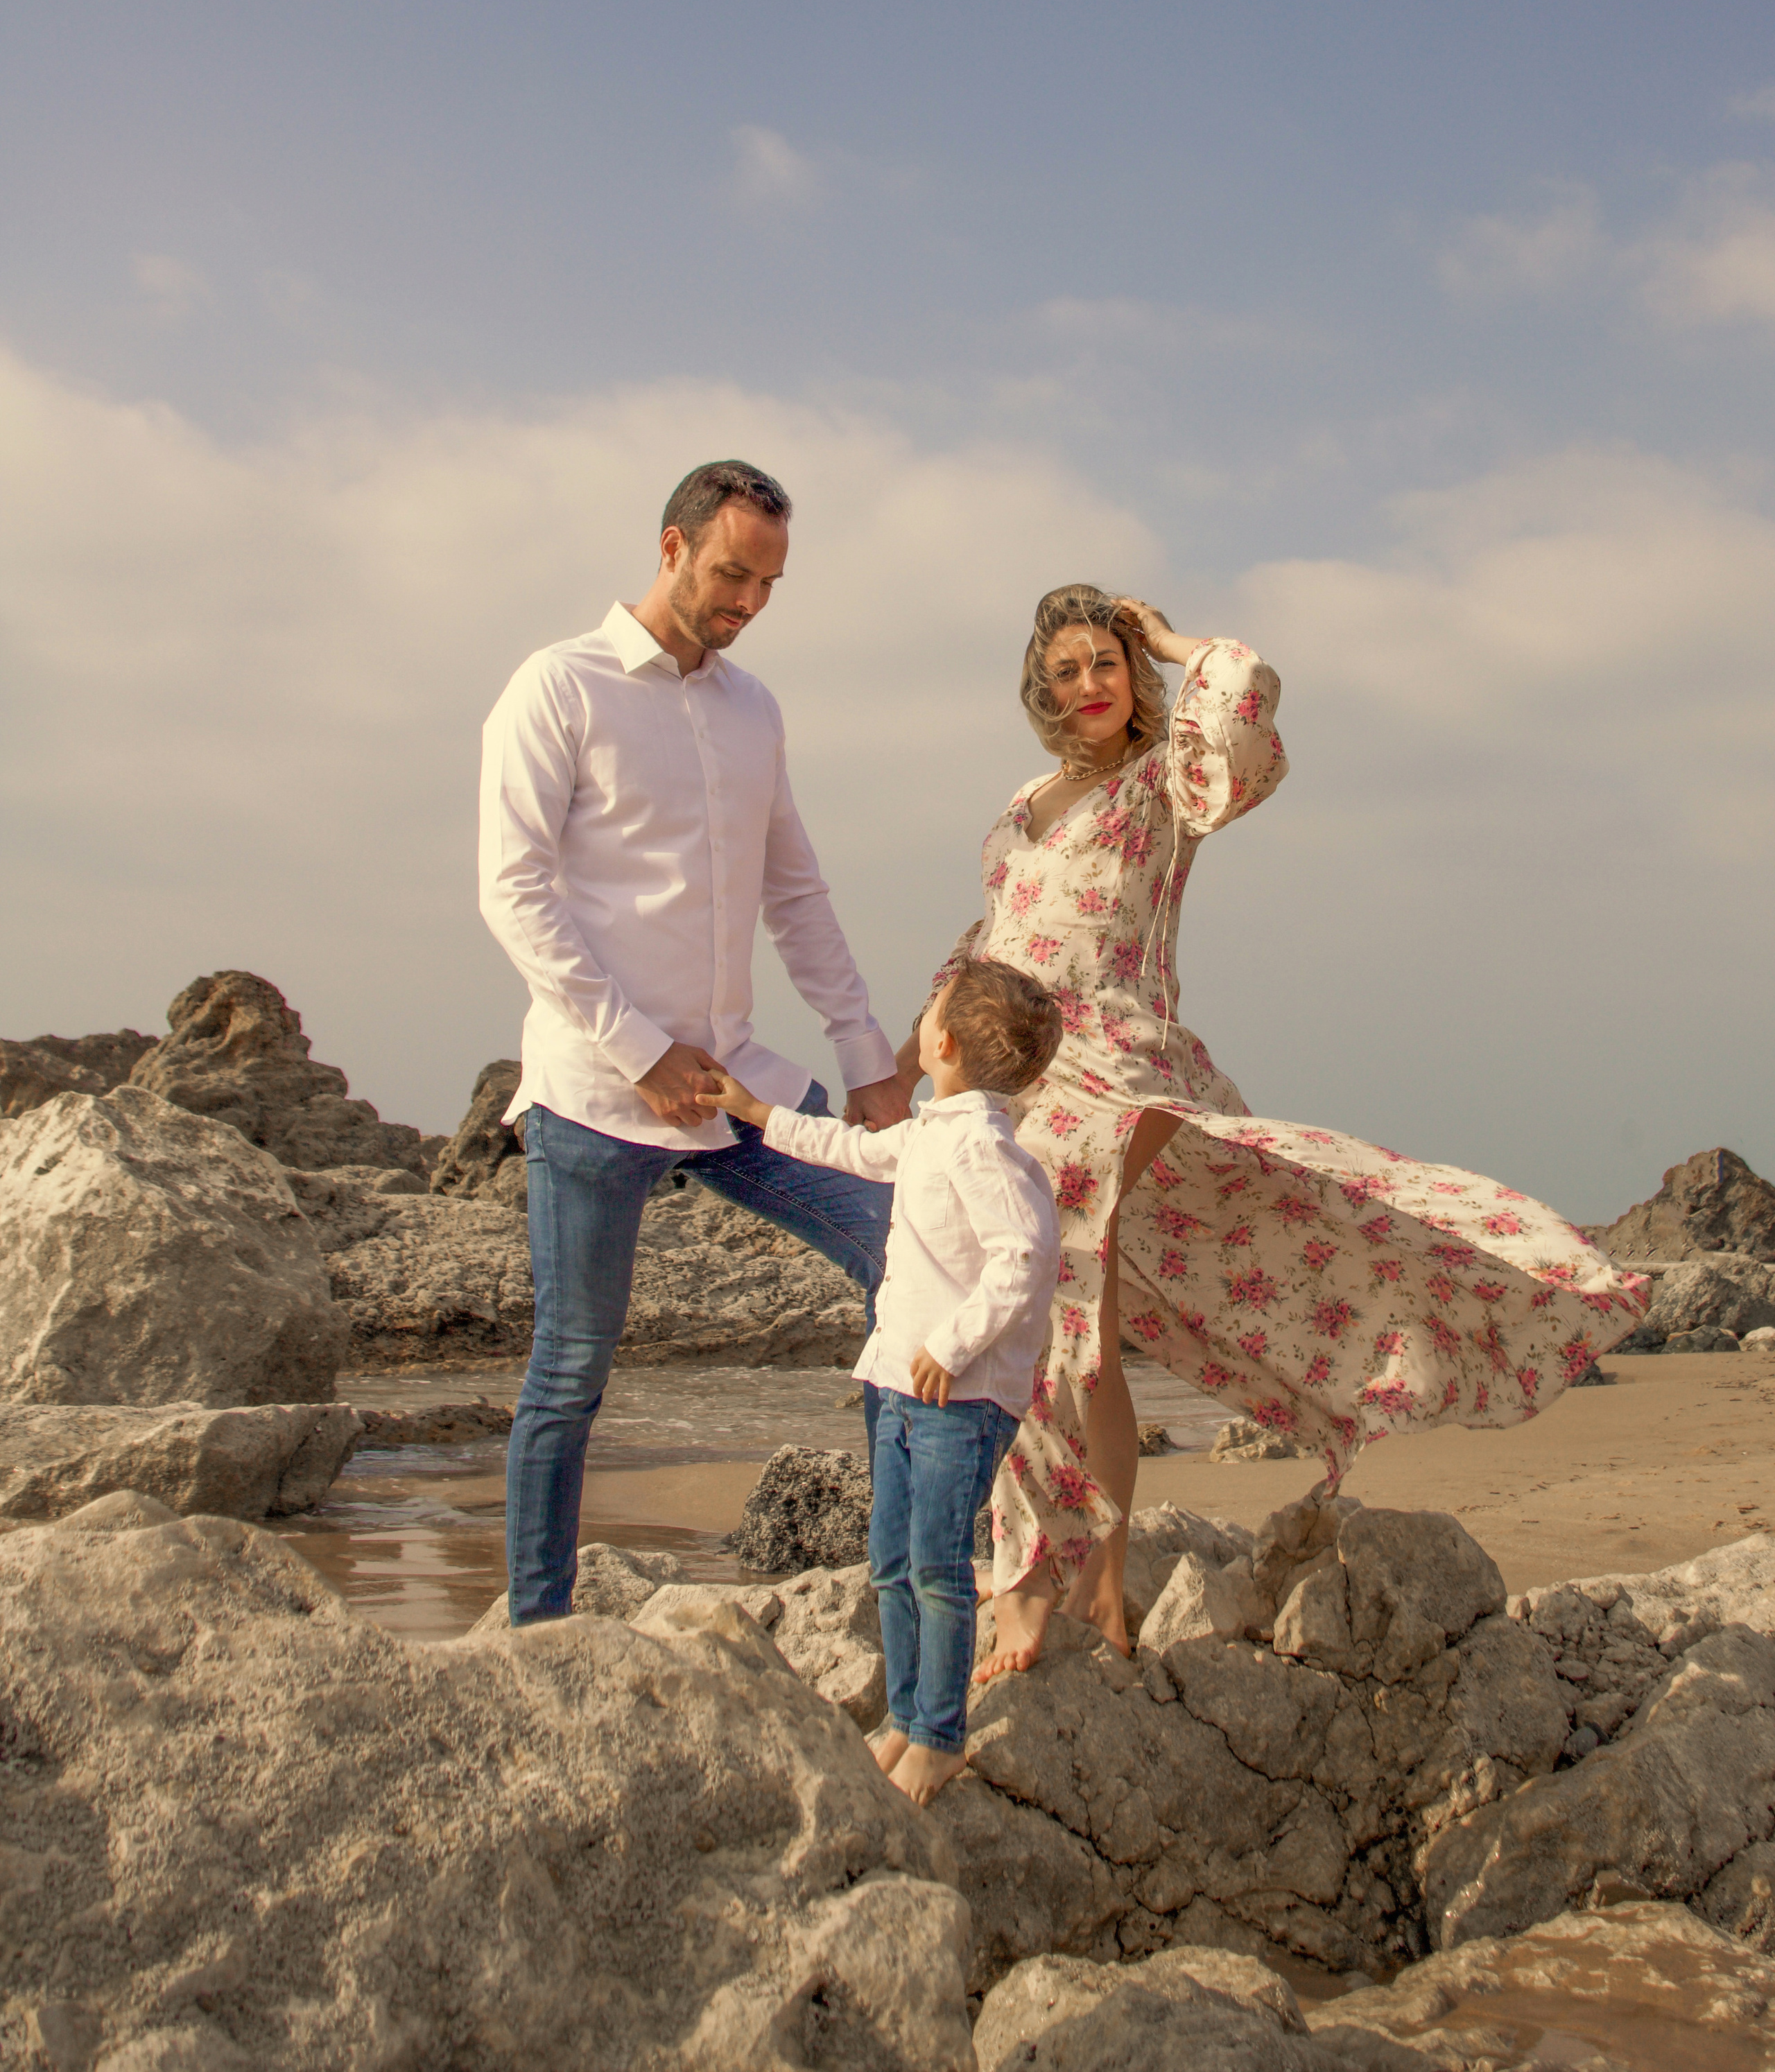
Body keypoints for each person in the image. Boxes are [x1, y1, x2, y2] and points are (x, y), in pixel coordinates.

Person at [894, 584, 1648, 1680]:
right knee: (1076, 1320)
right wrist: (917, 1051)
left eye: (1107, 662)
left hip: (1113, 1054)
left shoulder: (1168, 777)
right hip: (1012, 1067)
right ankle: (1100, 1576)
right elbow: (996, 933)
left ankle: (1030, 1582)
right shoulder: (1027, 799)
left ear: (1135, 673)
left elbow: (1242, 698)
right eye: (1066, 669)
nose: (1090, 684)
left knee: (1051, 1299)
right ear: (1039, 687)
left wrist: (1170, 638)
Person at [479, 460, 910, 1625]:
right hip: (594, 1093)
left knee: (907, 1256)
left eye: (769, 584)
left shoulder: (753, 709)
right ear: (670, 548)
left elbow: (796, 891)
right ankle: (539, 1630)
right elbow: (515, 892)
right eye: (732, 575)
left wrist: (867, 1059)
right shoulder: (557, 687)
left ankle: (903, 1578)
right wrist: (638, 1050)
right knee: (572, 1367)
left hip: (735, 1088)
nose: (750, 603)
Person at [696, 957, 1062, 1804]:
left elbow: (1025, 1255)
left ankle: (939, 1735)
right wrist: (757, 1113)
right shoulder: (933, 1129)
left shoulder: (984, 1145)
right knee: (892, 1561)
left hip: (959, 1399)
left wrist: (954, 1343)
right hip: (901, 1384)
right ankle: (904, 1714)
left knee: (936, 1566)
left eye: (929, 1011)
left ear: (944, 1043)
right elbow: (850, 1150)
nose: (919, 1020)